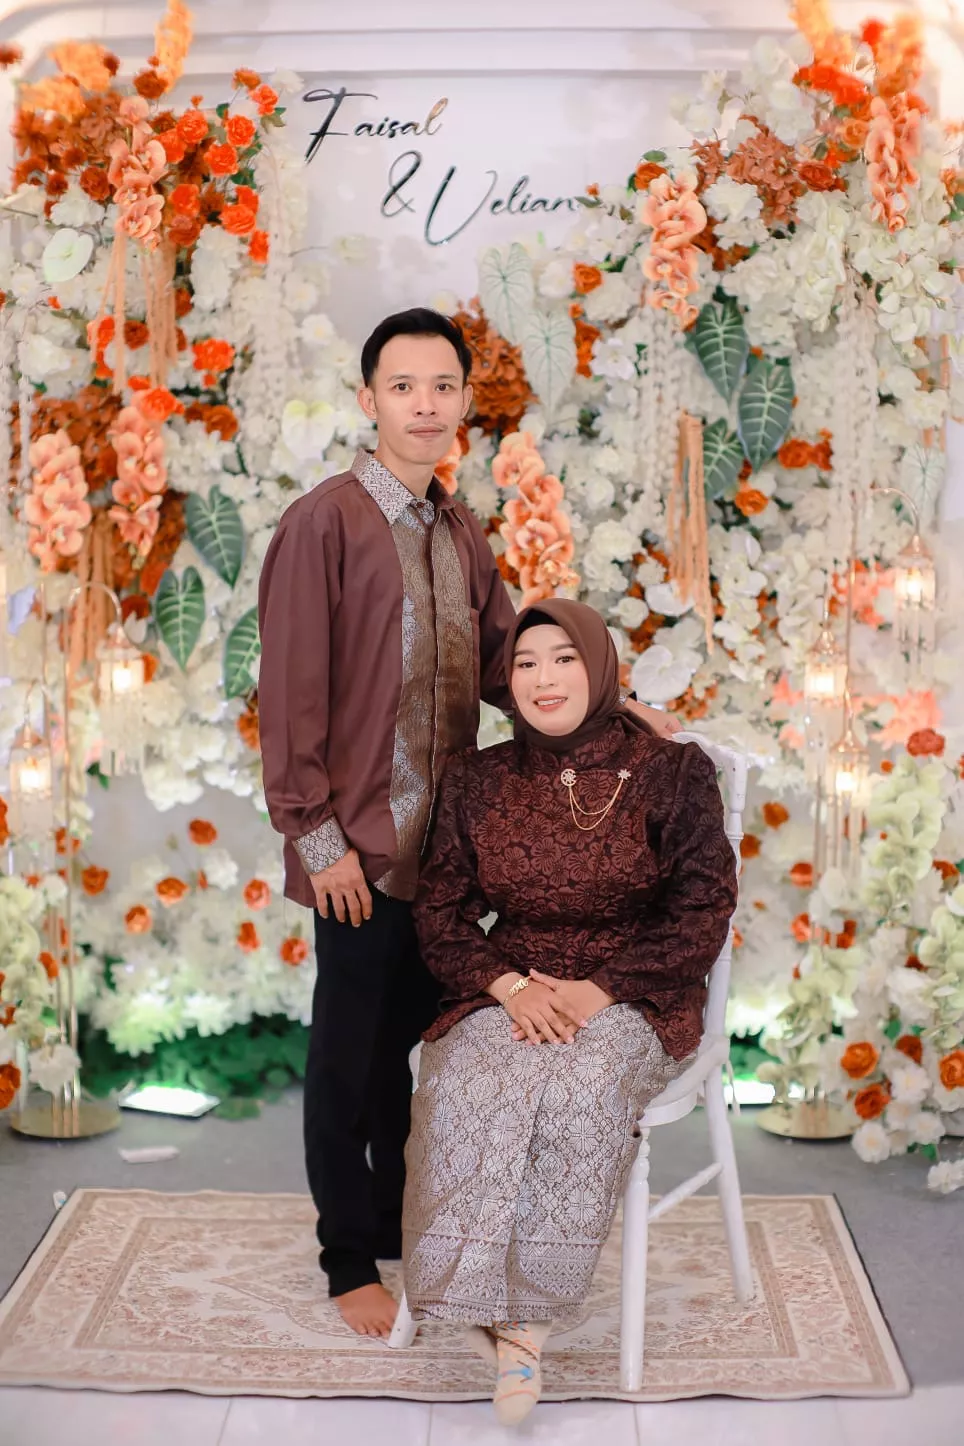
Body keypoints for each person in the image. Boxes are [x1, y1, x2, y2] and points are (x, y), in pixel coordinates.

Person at [257, 308, 680, 1338]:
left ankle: (397, 1226)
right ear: (369, 399)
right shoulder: (324, 524)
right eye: (403, 386)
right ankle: (346, 1258)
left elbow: (505, 665)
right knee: (348, 1062)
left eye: (442, 386)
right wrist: (318, 841)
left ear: (462, 402)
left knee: (412, 1051)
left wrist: (616, 710)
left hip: (445, 857)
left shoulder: (457, 529)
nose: (424, 404)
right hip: (359, 852)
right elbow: (290, 696)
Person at [402, 598, 738, 1425]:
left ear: (601, 669)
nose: (544, 678)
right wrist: (509, 986)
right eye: (525, 663)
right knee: (470, 1084)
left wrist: (597, 991)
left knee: (579, 1089)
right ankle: (464, 1296)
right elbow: (440, 914)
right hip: (511, 981)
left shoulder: (671, 772)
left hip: (636, 988)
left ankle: (523, 1329)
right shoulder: (478, 779)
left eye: (564, 659)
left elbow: (702, 911)